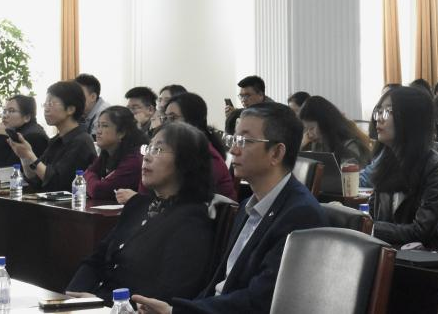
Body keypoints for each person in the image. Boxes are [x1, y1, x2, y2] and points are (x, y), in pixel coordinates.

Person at [136, 102, 325, 314]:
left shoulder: (299, 215)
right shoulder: (247, 206)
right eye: (233, 139)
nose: (233, 150)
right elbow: (219, 284)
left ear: (276, 153)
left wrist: (178, 312)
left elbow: (260, 300)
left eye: (244, 141)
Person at [67, 122, 216, 304]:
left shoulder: (192, 221)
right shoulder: (138, 205)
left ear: (186, 162)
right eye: (148, 148)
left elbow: (167, 292)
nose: (147, 157)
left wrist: (100, 302)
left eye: (158, 150)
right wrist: (71, 296)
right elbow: (96, 259)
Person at [368, 87, 438, 249]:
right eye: (378, 111)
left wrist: (369, 228)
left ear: (410, 118)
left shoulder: (435, 168)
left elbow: (421, 231)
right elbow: (374, 216)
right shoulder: (387, 162)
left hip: (425, 258)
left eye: (387, 112)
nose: (379, 119)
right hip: (390, 251)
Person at [145, 92, 236, 201]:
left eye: (173, 118)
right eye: (165, 118)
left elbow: (186, 200)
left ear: (193, 121)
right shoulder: (174, 151)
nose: (167, 124)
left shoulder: (207, 157)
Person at [11, 80, 97, 192]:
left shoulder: (81, 141)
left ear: (70, 109)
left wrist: (31, 156)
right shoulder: (57, 140)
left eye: (51, 104)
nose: (46, 109)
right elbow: (35, 178)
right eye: (45, 104)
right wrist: (24, 156)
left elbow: (56, 183)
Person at [85, 106, 145, 202]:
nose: (98, 131)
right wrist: (90, 177)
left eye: (105, 126)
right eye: (98, 126)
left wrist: (90, 178)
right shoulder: (107, 152)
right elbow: (87, 174)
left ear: (121, 133)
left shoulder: (134, 160)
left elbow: (98, 191)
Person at [298, 94, 372, 165]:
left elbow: (353, 173)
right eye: (306, 129)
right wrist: (300, 146)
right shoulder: (317, 144)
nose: (309, 134)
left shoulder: (350, 146)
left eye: (312, 128)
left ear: (325, 123)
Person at [0, 94, 49, 169]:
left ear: (26, 117)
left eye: (11, 111)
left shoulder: (33, 137)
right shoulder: (19, 131)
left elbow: (4, 170)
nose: (4, 116)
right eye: (4, 111)